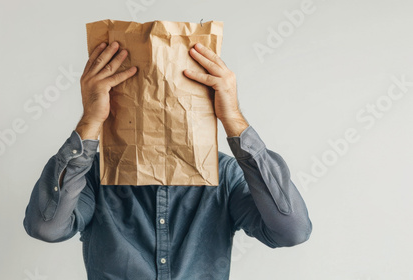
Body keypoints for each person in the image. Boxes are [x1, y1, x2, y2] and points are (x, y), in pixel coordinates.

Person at [23, 41, 312, 280]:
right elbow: (46, 227)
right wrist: (89, 120)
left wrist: (233, 118)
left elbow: (291, 231)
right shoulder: (95, 174)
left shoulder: (224, 175)